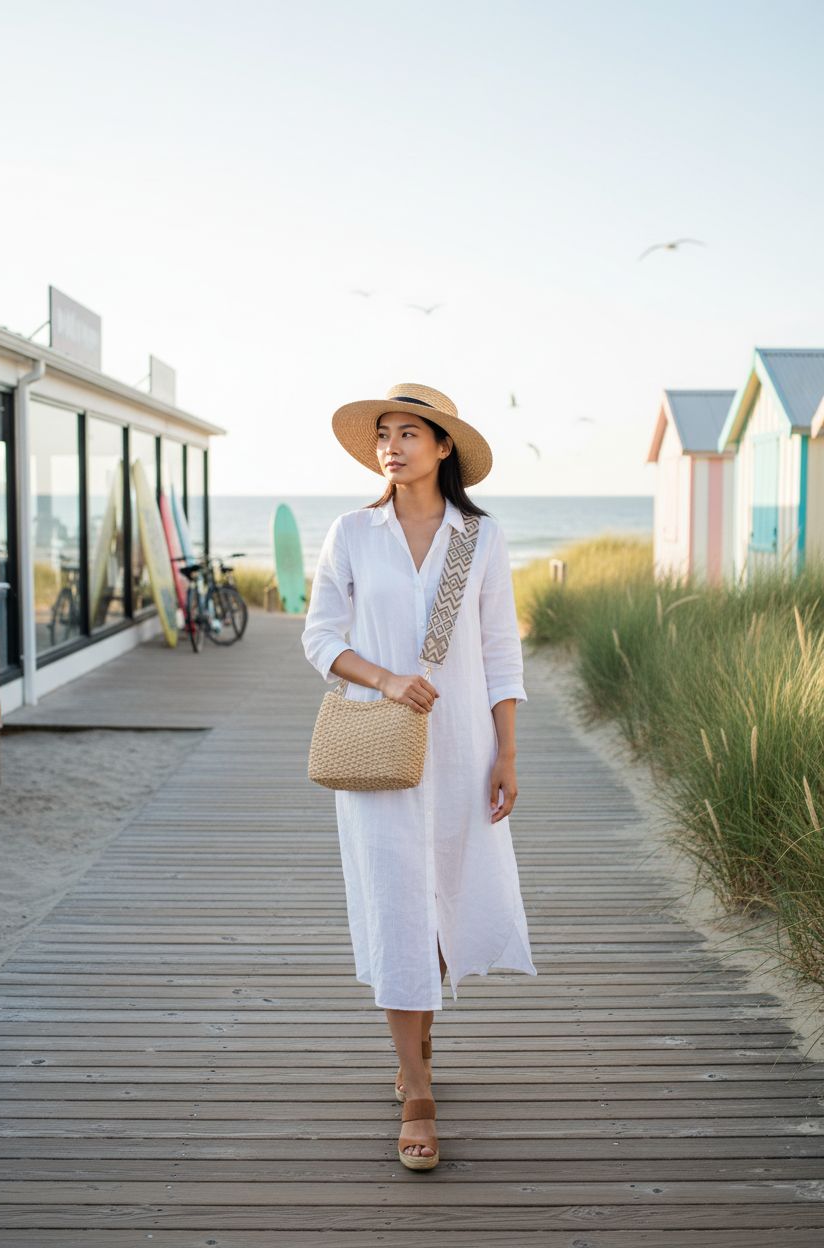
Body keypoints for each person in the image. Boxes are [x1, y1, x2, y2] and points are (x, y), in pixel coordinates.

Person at [301, 382, 537, 1170]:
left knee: (442, 902)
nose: (392, 446)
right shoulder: (352, 533)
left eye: (409, 433)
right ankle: (418, 1091)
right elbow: (319, 637)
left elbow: (500, 650)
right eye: (383, 434)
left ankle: (418, 1046)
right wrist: (385, 680)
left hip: (464, 747)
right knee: (397, 902)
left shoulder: (480, 537)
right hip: (379, 750)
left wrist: (507, 752)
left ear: (443, 447)